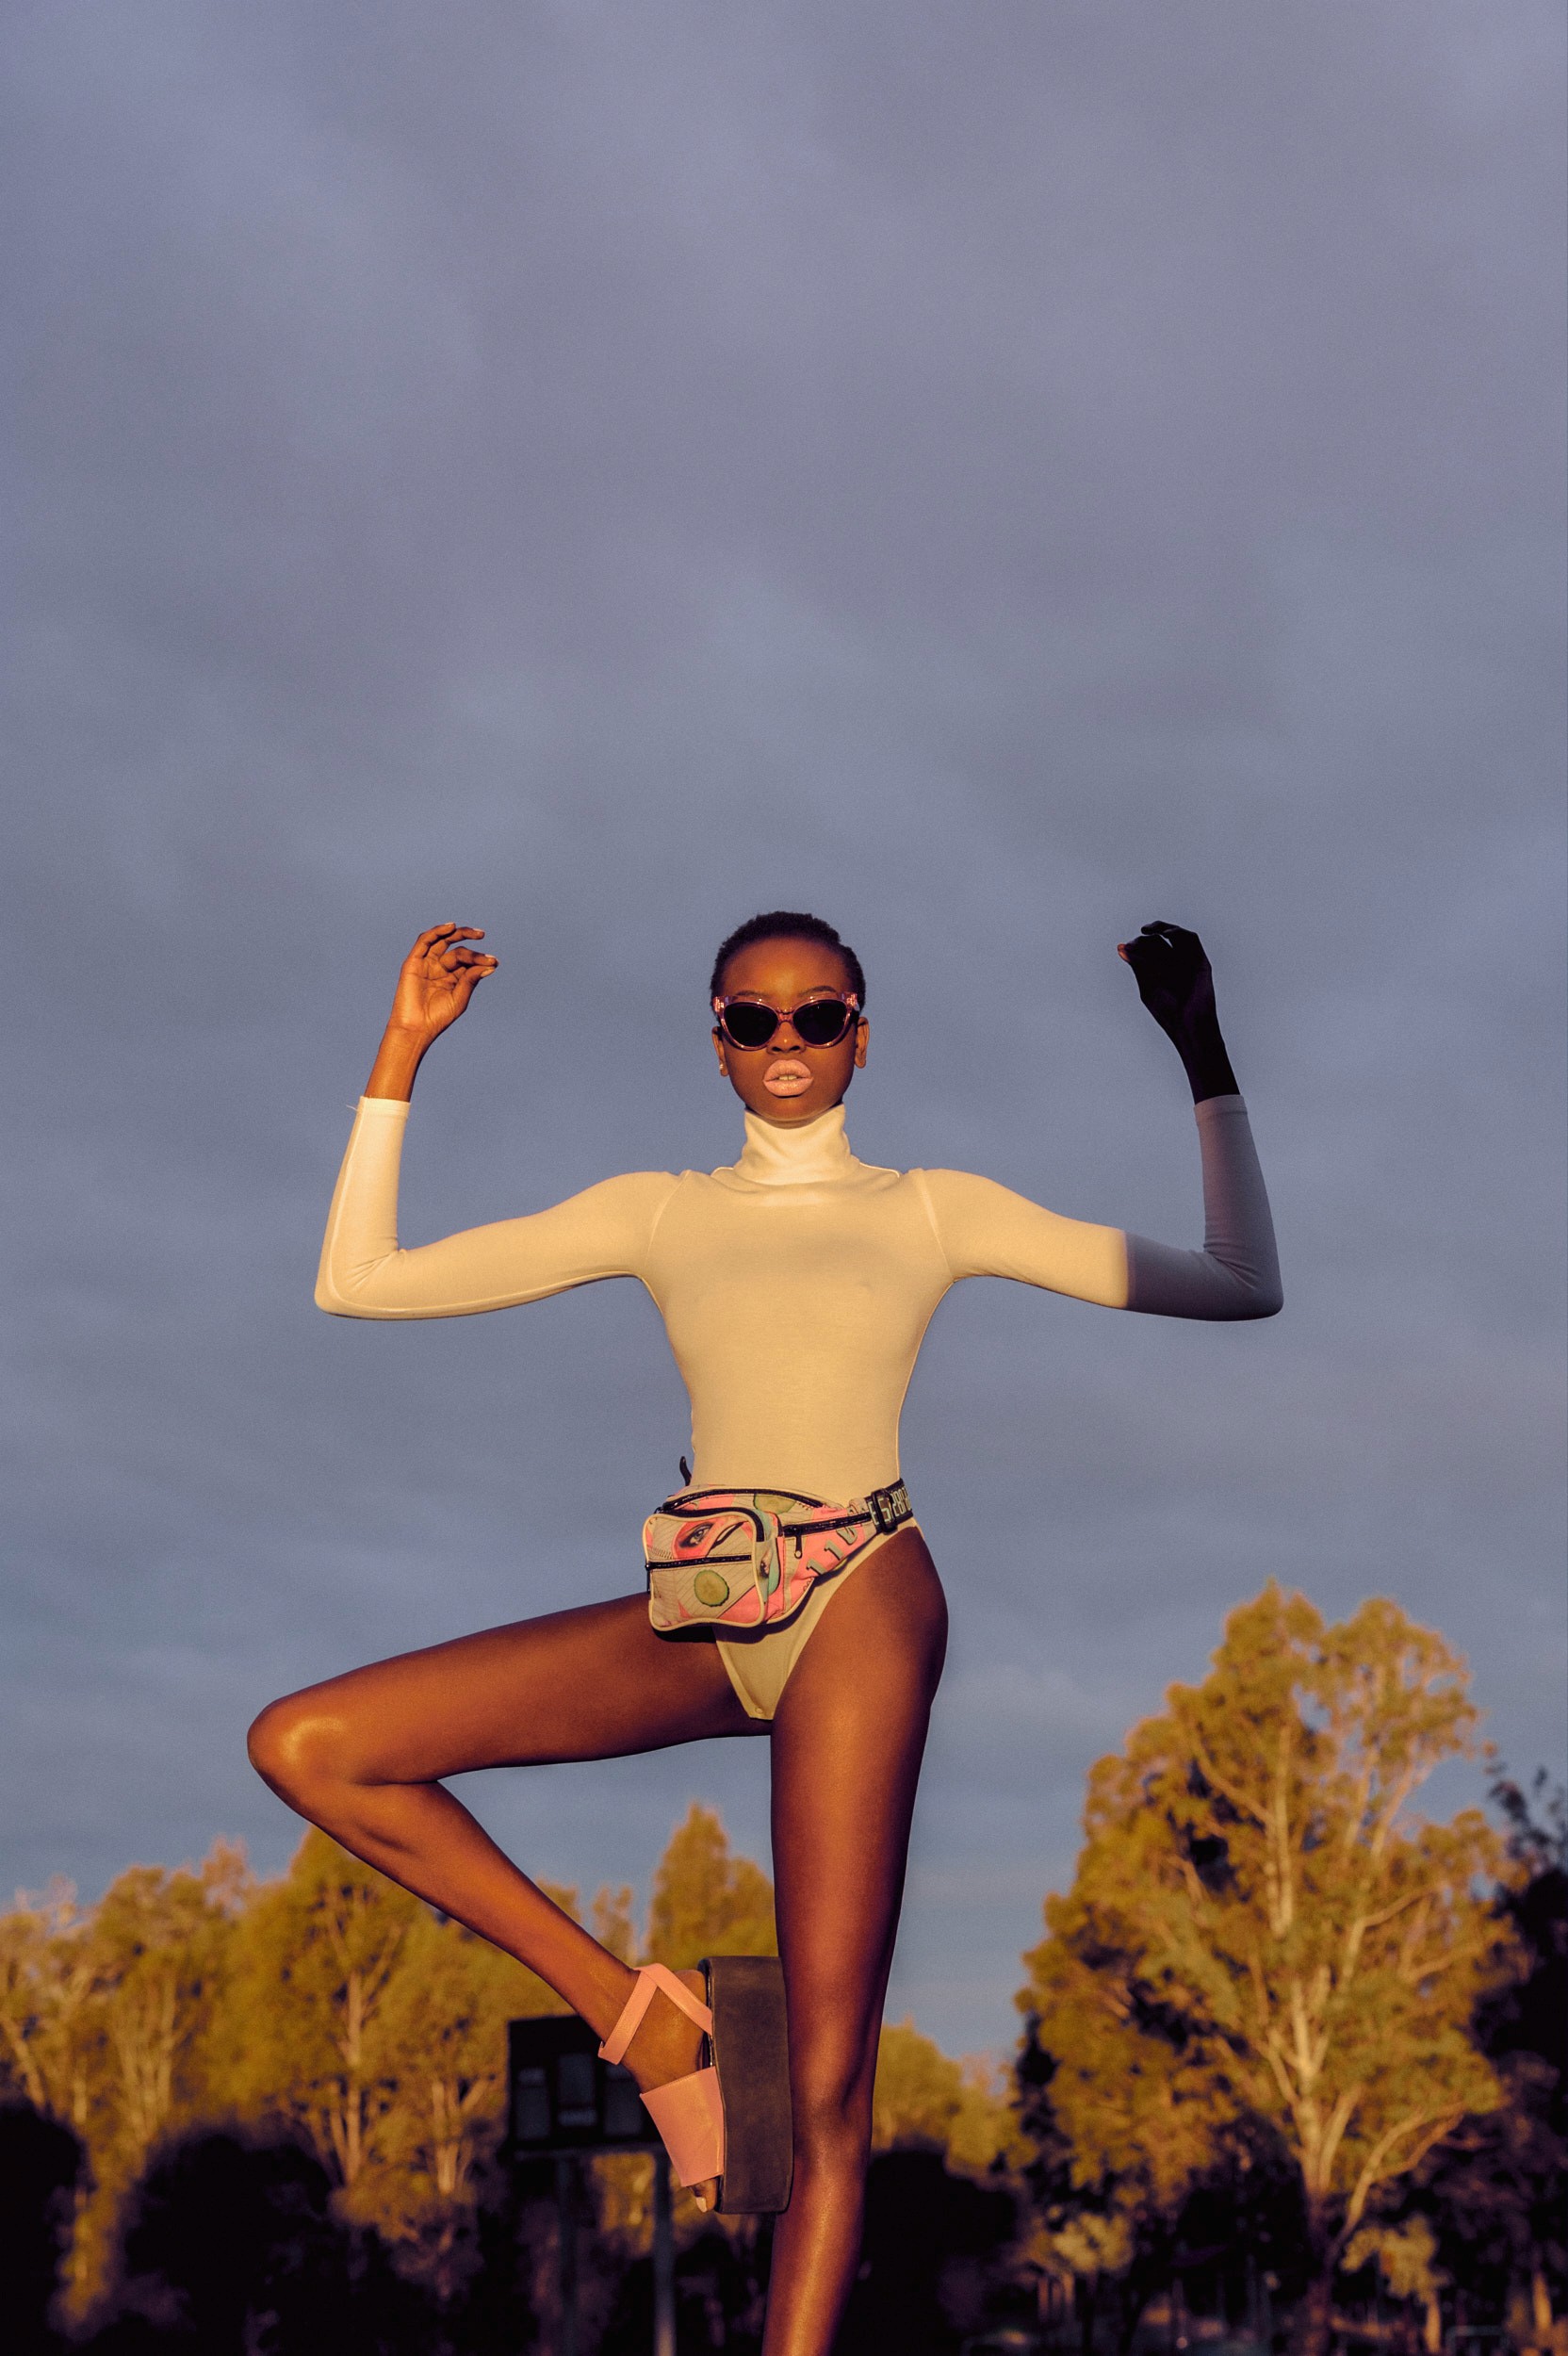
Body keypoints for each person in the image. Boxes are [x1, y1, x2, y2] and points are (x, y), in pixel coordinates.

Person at [249, 908, 1281, 2356]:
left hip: (862, 1595)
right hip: (710, 1599)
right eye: (752, 1018)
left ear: (862, 1033)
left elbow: (1242, 1284)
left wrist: (1201, 1050)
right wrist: (401, 1051)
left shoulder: (935, 1209)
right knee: (311, 1745)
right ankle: (643, 2021)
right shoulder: (658, 1212)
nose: (785, 1041)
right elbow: (357, 1280)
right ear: (717, 1042)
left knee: (823, 2091)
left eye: (817, 1014)